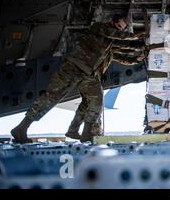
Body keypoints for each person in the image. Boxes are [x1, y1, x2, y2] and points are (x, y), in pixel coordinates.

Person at [11, 14, 143, 143]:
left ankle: (87, 134)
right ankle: (21, 128)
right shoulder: (99, 28)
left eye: (122, 28)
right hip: (72, 67)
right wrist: (139, 35)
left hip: (88, 73)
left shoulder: (110, 41)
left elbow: (123, 47)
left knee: (97, 100)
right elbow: (120, 37)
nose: (120, 29)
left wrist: (140, 52)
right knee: (51, 97)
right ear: (112, 22)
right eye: (119, 25)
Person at [65, 46, 146, 140]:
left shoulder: (110, 51)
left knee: (86, 104)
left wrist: (136, 59)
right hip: (88, 75)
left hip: (88, 75)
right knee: (96, 102)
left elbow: (122, 58)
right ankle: (88, 134)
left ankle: (72, 130)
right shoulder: (102, 45)